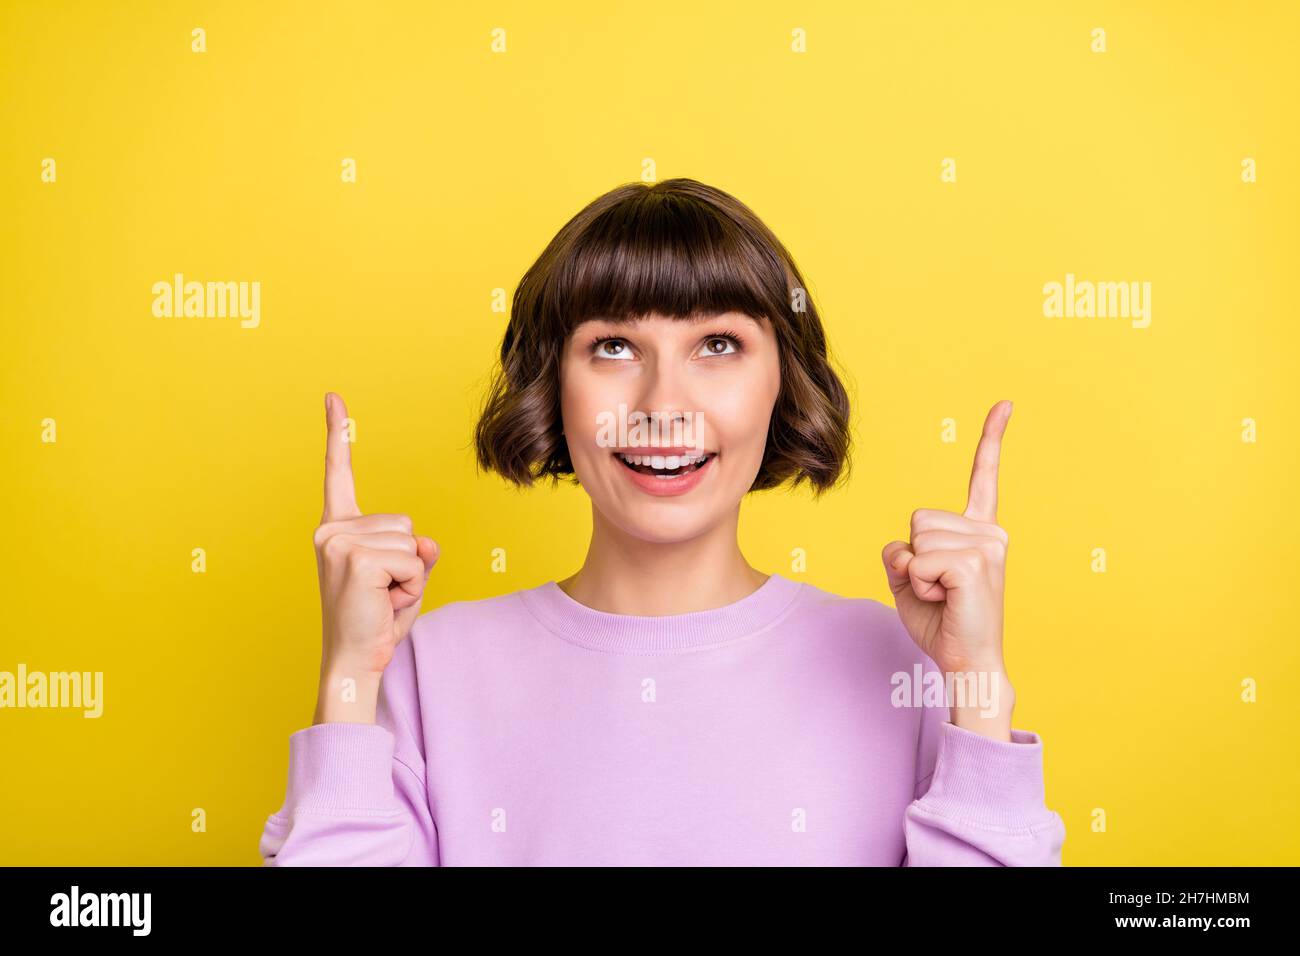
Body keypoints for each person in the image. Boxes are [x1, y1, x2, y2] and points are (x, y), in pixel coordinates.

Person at [258, 178, 1066, 865]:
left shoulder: (904, 666)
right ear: (554, 388)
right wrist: (349, 679)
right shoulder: (427, 671)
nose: (663, 406)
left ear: (782, 383)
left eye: (718, 344)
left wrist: (977, 685)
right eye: (613, 348)